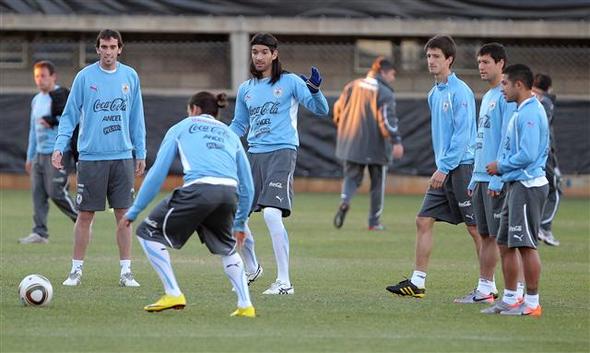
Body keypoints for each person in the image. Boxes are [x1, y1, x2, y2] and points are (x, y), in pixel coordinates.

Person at [120, 92, 256, 317]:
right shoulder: (230, 134)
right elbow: (248, 184)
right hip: (228, 193)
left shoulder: (182, 127)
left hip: (200, 190)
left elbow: (158, 172)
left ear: (193, 109)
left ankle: (173, 292)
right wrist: (240, 222)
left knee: (146, 232)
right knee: (228, 248)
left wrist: (135, 210)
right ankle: (245, 305)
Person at [229, 33, 329, 295]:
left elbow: (321, 110)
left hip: (282, 153)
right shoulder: (246, 89)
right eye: (255, 52)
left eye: (264, 52)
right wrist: (221, 140)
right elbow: (239, 125)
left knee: (272, 214)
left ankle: (284, 282)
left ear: (275, 54)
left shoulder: (290, 82)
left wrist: (315, 91)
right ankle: (252, 268)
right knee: (235, 215)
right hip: (254, 156)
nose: (259, 57)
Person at [386, 35, 481, 298]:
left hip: (461, 168)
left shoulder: (460, 91)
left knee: (475, 229)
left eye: (436, 56)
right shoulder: (433, 94)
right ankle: (417, 282)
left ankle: (488, 286)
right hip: (445, 169)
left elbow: (463, 136)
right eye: (428, 56)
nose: (431, 61)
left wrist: (445, 166)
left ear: (449, 59)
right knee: (423, 220)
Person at [51, 29, 146, 287]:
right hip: (91, 158)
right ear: (97, 49)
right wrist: (60, 146)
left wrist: (141, 151)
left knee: (124, 215)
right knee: (84, 215)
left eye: (112, 47)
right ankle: (76, 270)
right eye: (103, 47)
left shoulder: (130, 76)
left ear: (120, 49)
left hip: (122, 157)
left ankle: (126, 272)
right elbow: (69, 115)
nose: (107, 52)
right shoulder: (85, 77)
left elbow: (137, 117)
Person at [482, 64, 549, 316]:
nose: (502, 89)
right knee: (505, 243)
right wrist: (502, 178)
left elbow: (528, 154)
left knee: (526, 245)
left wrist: (500, 167)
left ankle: (532, 304)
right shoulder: (520, 110)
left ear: (518, 85)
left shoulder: (530, 113)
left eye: (505, 84)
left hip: (528, 185)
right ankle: (510, 299)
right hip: (515, 184)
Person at [454, 43, 517, 303]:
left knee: (506, 239)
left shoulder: (506, 96)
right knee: (485, 236)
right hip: (479, 177)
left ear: (501, 64)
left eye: (486, 62)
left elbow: (508, 139)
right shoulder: (489, 95)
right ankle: (485, 289)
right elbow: (483, 138)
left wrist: (498, 176)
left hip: (495, 179)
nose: (481, 67)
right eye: (479, 62)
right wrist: (475, 176)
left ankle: (518, 293)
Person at [332, 57, 404, 231]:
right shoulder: (384, 92)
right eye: (393, 74)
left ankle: (345, 201)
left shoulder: (352, 85)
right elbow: (386, 120)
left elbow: (337, 110)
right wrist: (396, 141)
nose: (393, 79)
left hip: (351, 143)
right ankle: (374, 222)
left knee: (350, 178)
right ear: (384, 72)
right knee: (377, 184)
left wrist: (343, 126)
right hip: (376, 146)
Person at [19, 60, 78, 244]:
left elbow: (73, 121)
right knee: (38, 194)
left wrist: (53, 121)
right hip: (39, 154)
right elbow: (32, 131)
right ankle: (39, 233)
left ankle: (82, 219)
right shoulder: (36, 100)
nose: (40, 80)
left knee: (56, 191)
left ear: (53, 76)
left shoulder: (61, 95)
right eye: (37, 76)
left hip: (58, 153)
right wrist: (30, 157)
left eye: (43, 75)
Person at [533, 74, 561, 246]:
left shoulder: (525, 97)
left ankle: (535, 225)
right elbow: (544, 132)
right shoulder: (545, 102)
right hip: (543, 154)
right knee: (555, 190)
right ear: (549, 87)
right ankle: (543, 227)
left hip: (530, 153)